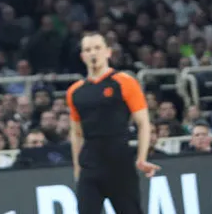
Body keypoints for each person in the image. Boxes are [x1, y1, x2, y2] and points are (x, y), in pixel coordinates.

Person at [66, 33, 158, 214]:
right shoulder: (74, 91)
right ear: (82, 56)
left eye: (97, 48)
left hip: (120, 164)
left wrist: (142, 157)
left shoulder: (124, 81)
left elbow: (143, 123)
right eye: (88, 50)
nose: (93, 53)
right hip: (90, 166)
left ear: (108, 52)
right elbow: (76, 133)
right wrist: (77, 169)